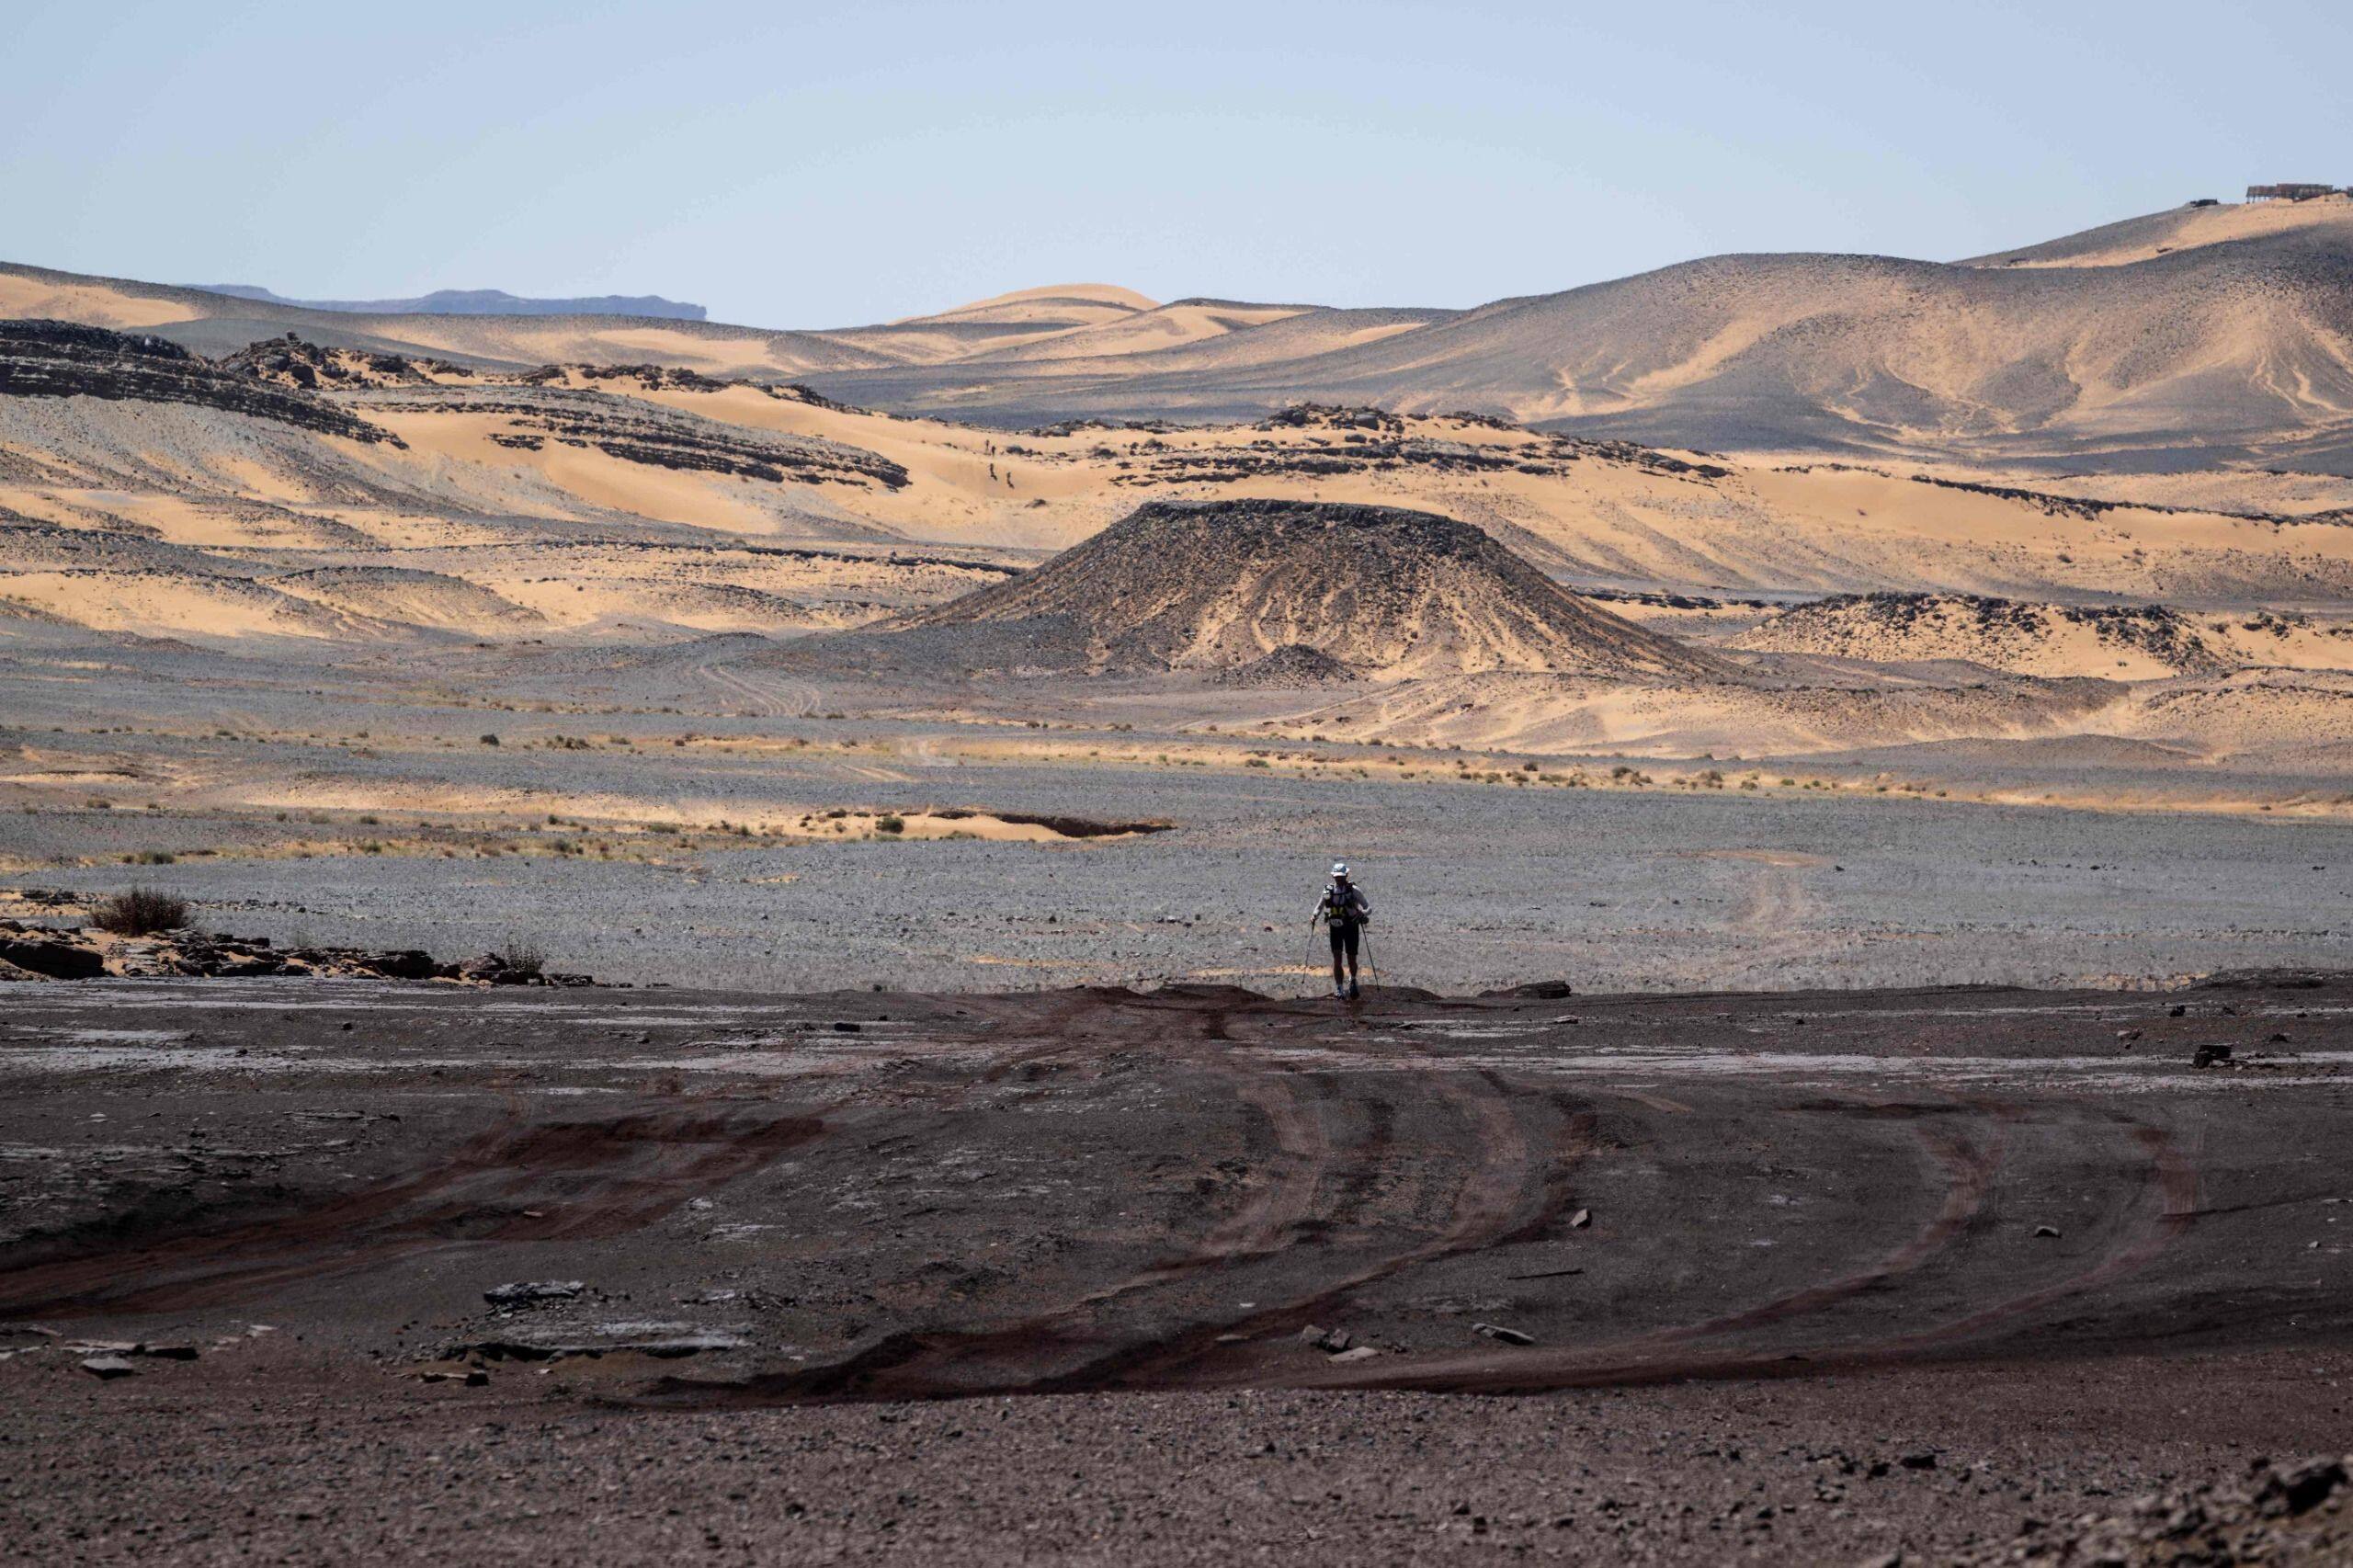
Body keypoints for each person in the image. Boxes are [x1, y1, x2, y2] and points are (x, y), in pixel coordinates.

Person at [1313, 861, 1372, 999]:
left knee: (1351, 958)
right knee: (1337, 958)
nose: (1339, 879)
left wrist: (1362, 913)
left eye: (1341, 876)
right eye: (1337, 877)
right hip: (1335, 927)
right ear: (1333, 876)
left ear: (1346, 875)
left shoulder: (1354, 890)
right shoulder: (1328, 891)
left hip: (1351, 926)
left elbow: (1368, 907)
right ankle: (1339, 988)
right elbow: (1320, 906)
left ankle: (1352, 979)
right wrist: (1314, 916)